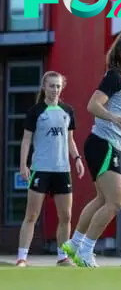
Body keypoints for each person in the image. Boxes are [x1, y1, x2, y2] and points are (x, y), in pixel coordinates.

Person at [60, 33, 121, 267]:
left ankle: (75, 244)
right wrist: (112, 117)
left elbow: (120, 120)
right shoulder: (115, 77)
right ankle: (86, 251)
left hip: (107, 145)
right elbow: (92, 105)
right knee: (116, 201)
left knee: (102, 198)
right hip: (102, 145)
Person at [16, 71, 85, 267]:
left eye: (58, 86)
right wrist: (24, 165)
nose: (55, 89)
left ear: (62, 87)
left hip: (62, 170)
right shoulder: (36, 111)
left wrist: (77, 158)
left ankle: (63, 257)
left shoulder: (67, 111)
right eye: (51, 85)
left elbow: (70, 140)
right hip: (40, 170)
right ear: (43, 87)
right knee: (31, 215)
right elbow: (26, 140)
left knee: (66, 216)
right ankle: (22, 257)